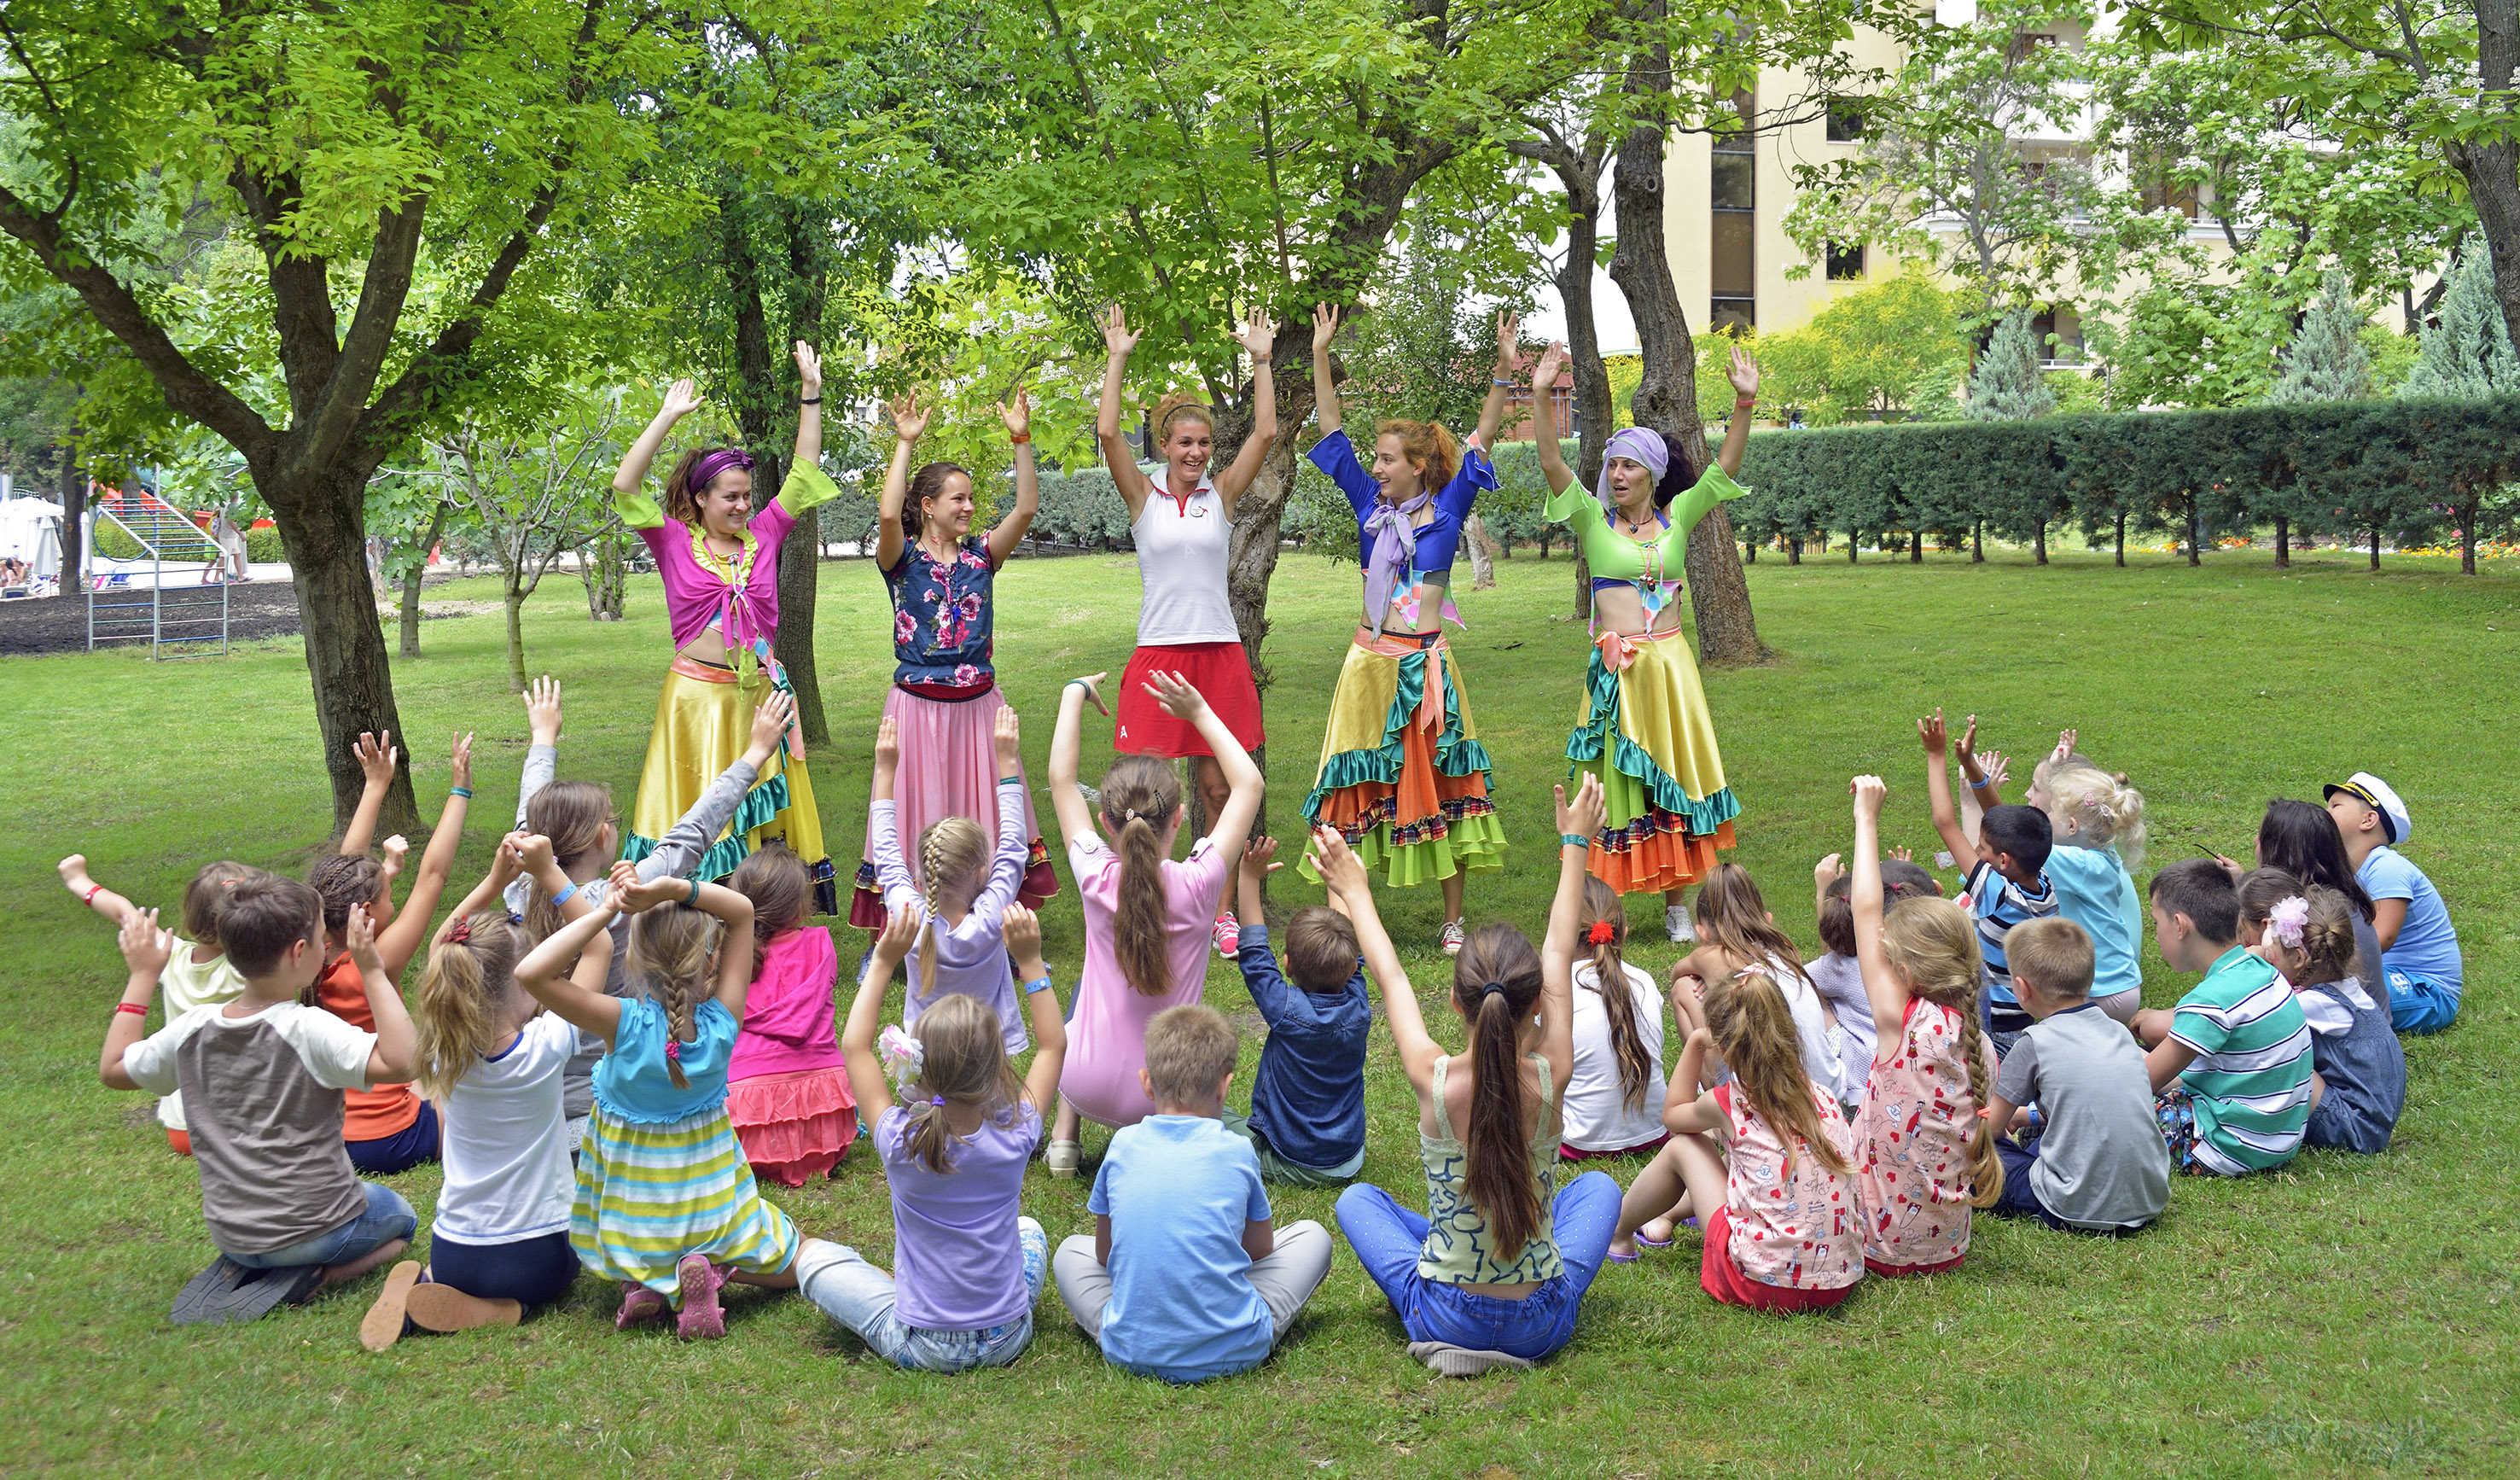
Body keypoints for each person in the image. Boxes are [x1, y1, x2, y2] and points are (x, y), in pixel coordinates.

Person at [1327, 778, 1624, 1372]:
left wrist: (1356, 891)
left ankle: (1455, 1314)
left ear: (1459, 1006)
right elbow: (1559, 951)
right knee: (1599, 1189)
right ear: (1537, 1003)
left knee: (1359, 1200)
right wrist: (1574, 842)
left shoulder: (1432, 1079)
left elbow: (1390, 978)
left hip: (1445, 1314)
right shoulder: (1551, 1071)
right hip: (1538, 1324)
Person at [1527, 338, 1764, 946]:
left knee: (1675, 778)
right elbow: (1552, 460)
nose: (1616, 475)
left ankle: (1677, 904)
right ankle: (1601, 905)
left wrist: (1744, 404)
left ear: (1653, 474)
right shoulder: (1589, 518)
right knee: (1608, 783)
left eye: (1628, 465)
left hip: (1670, 670)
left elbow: (1724, 472)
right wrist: (1536, 393)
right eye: (1612, 465)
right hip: (1615, 672)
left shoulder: (1679, 516)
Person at [1295, 303, 1514, 956]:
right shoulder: (1368, 506)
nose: (1378, 467)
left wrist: (1503, 370)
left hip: (1426, 668)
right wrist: (1318, 353)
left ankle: (1452, 921)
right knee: (1348, 784)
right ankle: (1341, 922)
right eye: (1377, 459)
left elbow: (1482, 435)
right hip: (1367, 664)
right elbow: (1331, 432)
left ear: (1418, 466)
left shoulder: (1446, 512)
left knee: (1446, 784)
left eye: (1388, 459)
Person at [506, 678, 803, 1148]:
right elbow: (695, 830)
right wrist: (754, 754)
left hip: (538, 1106)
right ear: (604, 837)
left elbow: (528, 823)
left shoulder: (521, 886)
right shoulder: (624, 896)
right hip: (604, 1111)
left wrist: (543, 740)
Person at [102, 879, 420, 1316]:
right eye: (321, 937)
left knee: (360, 1203)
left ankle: (263, 1264)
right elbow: (405, 1062)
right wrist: (371, 968)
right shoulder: (308, 1029)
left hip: (233, 1235)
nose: (328, 945)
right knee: (402, 1219)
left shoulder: (191, 1028)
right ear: (299, 951)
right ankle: (318, 1277)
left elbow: (114, 1070)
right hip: (316, 1230)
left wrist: (142, 974)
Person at [515, 863, 800, 1340]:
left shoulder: (618, 1023)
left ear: (632, 959)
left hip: (633, 1220)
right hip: (710, 1211)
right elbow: (743, 911)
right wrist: (672, 888)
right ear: (712, 961)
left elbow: (531, 973)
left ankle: (648, 1281)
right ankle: (700, 1274)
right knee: (794, 1256)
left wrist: (606, 910)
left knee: (644, 1231)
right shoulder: (722, 1024)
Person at [607, 347, 836, 909]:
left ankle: (756, 914)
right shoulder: (671, 541)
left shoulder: (766, 534)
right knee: (701, 806)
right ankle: (689, 909)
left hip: (757, 697)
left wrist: (811, 392)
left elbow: (804, 471)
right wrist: (666, 417)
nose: (741, 505)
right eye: (729, 497)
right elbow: (625, 486)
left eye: (746, 496)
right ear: (700, 498)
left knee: (754, 807)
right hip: (695, 702)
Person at [796, 900, 1068, 1372]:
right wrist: (1029, 962)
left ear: (917, 1065)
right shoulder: (1018, 1130)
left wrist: (883, 961)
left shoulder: (900, 1141)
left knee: (814, 1258)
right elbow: (1052, 1045)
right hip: (1009, 1334)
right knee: (1030, 1230)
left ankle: (888, 1288)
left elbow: (855, 1046)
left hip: (924, 1344)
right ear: (996, 1067)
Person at [364, 841, 608, 1350]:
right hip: (541, 1257)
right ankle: (504, 1309)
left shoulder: (440, 1053)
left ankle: (433, 1282)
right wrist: (548, 873)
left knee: (452, 1265)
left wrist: (494, 884)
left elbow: (441, 949)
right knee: (562, 1274)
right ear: (525, 983)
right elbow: (599, 945)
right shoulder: (547, 1046)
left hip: (457, 1251)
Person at [1095, 305, 1279, 955]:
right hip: (1158, 656)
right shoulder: (1143, 498)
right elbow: (1110, 433)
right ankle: (1135, 903)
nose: (1196, 453)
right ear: (1166, 449)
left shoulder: (1221, 497)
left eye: (1203, 444)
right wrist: (1116, 357)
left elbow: (1263, 433)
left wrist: (1260, 359)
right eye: (1184, 444)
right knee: (1137, 793)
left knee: (1218, 786)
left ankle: (1218, 911)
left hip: (1218, 654)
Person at [847, 386, 1054, 933]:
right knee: (917, 810)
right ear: (929, 506)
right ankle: (908, 923)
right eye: (956, 499)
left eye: (970, 499)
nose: (967, 507)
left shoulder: (983, 556)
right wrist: (904, 442)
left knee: (983, 810)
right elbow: (888, 512)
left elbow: (1027, 507)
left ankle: (987, 921)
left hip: (979, 706)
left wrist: (1021, 438)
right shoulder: (902, 559)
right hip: (916, 707)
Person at [1043, 670, 1261, 1174]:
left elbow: (1060, 779)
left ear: (1107, 824)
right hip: (1170, 1094)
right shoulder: (1202, 881)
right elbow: (1248, 783)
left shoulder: (1095, 876)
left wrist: (1072, 693)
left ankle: (1064, 1138)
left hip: (1084, 1080)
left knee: (1087, 989)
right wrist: (1199, 712)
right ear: (1181, 819)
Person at [1054, 1004, 1336, 1383]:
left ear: (1147, 1082)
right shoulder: (1238, 1150)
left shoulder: (1122, 1145)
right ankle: (1228, 1318)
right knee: (1312, 1236)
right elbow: (1261, 1248)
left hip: (1131, 1349)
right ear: (1225, 1085)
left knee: (1070, 1251)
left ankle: (1134, 1324)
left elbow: (1105, 1255)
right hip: (1238, 1348)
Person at [1607, 969, 1866, 1314]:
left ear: (1724, 1047)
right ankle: (1667, 1217)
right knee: (1742, 1157)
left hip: (1761, 1285)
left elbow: (1674, 1115)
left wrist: (1697, 1042)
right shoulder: (1822, 1097)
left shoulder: (1730, 1102)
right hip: (1837, 1282)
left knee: (1684, 1147)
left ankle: (1619, 1234)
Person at [1848, 773, 2003, 1276]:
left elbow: (1866, 910)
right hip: (1949, 1249)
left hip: (1877, 1247)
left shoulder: (1905, 1026)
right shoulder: (1982, 1048)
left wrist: (1865, 818)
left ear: (1908, 972)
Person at [307, 730, 475, 1174]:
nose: (392, 897)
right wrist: (460, 788)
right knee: (464, 1085)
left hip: (332, 1137)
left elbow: (340, 874)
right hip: (395, 1138)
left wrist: (375, 786)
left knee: (421, 1063)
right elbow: (434, 875)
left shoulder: (307, 959)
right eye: (386, 893)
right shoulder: (379, 962)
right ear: (364, 912)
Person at [1978, 918, 2171, 1235]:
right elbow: (2086, 1102)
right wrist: (2026, 1117)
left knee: (1978, 1158)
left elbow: (1991, 1129)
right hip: (2147, 1197)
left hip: (2073, 1205)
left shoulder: (2034, 1043)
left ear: (2022, 989)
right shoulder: (2118, 1033)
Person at [62, 854, 258, 1155]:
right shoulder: (249, 968)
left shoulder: (169, 955)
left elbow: (123, 913)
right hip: (240, 1127)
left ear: (190, 915)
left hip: (183, 1130)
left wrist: (80, 881)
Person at [868, 708, 1036, 1057]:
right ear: (981, 873)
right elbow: (1015, 848)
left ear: (920, 873)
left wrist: (886, 770)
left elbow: (884, 852)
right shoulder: (991, 917)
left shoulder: (910, 919)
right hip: (987, 1060)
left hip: (924, 1062)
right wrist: (1007, 762)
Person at [2131, 860, 2313, 1177]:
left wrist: (2035, 1113)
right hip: (2276, 1141)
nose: (2155, 936)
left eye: (2156, 923)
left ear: (2179, 925)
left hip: (2227, 1147)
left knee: (2109, 1115)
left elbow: (2136, 1084)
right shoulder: (2263, 972)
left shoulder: (2211, 1000)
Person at [1220, 836, 1372, 1186]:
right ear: (1352, 970)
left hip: (1295, 1160)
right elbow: (1351, 951)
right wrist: (1339, 881)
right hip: (1351, 1157)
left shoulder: (1285, 1010)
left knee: (1204, 1116)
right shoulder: (1359, 1005)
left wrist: (1248, 876)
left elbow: (1256, 954)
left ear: (1286, 965)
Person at [1974, 726, 2148, 1024]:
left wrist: (1978, 784)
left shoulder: (2074, 864)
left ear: (2070, 827)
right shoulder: (2102, 855)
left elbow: (2014, 837)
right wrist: (2056, 769)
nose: (2045, 817)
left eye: (2051, 812)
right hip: (2124, 982)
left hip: (2101, 990)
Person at [2237, 874, 2405, 1154]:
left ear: (2300, 960)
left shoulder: (2317, 1004)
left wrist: (2250, 967)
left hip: (2355, 1130)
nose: (2268, 954)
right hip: (2369, 1126)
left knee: (2281, 1052)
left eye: (2273, 950)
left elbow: (2249, 1019)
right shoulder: (2346, 990)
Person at [1919, 709, 2055, 1058]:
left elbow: (1944, 823)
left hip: (1993, 1026)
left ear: (2004, 861)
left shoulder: (1999, 896)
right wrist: (1970, 766)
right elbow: (2006, 821)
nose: (1975, 851)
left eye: (1982, 848)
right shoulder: (2043, 885)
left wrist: (1936, 756)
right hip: (2024, 1018)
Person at [725, 842, 856, 1186]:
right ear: (801, 905)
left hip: (747, 1130)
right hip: (826, 1128)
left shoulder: (729, 955)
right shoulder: (822, 944)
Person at [1675, 864, 1841, 1106]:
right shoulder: (1785, 950)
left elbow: (1677, 973)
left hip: (1773, 1101)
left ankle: (1715, 1098)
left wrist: (1702, 976)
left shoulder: (1707, 956)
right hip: (1829, 1091)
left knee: (1682, 988)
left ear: (1703, 933)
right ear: (1768, 920)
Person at [2325, 772, 2463, 1034]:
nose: (2325, 812)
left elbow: (2382, 937)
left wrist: (2323, 964)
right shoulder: (2347, 871)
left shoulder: (2386, 867)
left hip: (2428, 991)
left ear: (2368, 820)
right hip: (2386, 972)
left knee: (2330, 993)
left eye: (2335, 806)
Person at [2239, 798, 2392, 1031]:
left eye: (2263, 837)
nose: (2255, 841)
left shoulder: (2302, 922)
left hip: (2338, 1041)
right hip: (2368, 1026)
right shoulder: (2337, 902)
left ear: (2279, 852)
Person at [1807, 853, 1941, 1112]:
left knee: (1820, 1000)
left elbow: (1800, 978)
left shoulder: (1840, 967)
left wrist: (1823, 892)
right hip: (1918, 1080)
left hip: (1864, 1086)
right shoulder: (1917, 958)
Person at [1559, 878, 1668, 1164]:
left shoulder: (1556, 988)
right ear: (1623, 934)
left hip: (1580, 1142)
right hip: (1655, 1133)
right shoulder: (1644, 981)